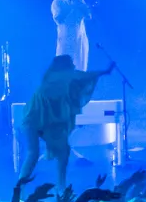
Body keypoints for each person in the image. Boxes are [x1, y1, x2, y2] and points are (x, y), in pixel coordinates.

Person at [16, 55, 113, 190]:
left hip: (45, 122)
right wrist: (105, 71)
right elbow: (82, 76)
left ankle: (59, 188)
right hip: (34, 121)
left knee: (61, 151)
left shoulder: (52, 77)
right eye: (71, 63)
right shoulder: (61, 77)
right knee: (33, 154)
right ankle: (22, 189)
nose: (73, 66)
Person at [50, 0, 91, 72]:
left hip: (80, 42)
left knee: (80, 72)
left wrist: (83, 7)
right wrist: (72, 6)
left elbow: (88, 16)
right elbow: (59, 19)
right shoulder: (57, 2)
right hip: (66, 43)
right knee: (63, 71)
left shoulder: (79, 0)